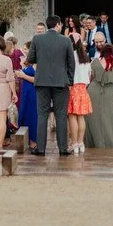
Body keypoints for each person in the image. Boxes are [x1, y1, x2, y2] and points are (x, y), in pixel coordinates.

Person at [27, 15, 75, 156]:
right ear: (58, 25)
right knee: (61, 115)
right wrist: (70, 80)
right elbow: (71, 63)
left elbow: (30, 58)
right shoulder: (66, 40)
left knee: (42, 115)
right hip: (61, 82)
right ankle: (63, 148)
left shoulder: (37, 39)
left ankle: (40, 148)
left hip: (42, 81)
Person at [84, 44, 113, 148]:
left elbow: (89, 78)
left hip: (94, 90)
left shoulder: (95, 62)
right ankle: (110, 143)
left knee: (93, 117)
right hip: (110, 92)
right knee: (109, 118)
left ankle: (92, 143)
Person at [68, 33, 92, 154]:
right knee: (81, 117)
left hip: (72, 88)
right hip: (83, 89)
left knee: (72, 116)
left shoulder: (69, 56)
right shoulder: (85, 57)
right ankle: (81, 143)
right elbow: (89, 75)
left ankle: (74, 143)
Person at [16, 41, 38, 150]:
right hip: (25, 91)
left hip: (33, 92)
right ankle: (27, 140)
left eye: (26, 49)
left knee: (32, 115)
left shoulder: (36, 62)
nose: (24, 50)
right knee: (24, 114)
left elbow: (37, 80)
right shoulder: (27, 61)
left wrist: (23, 75)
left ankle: (34, 141)